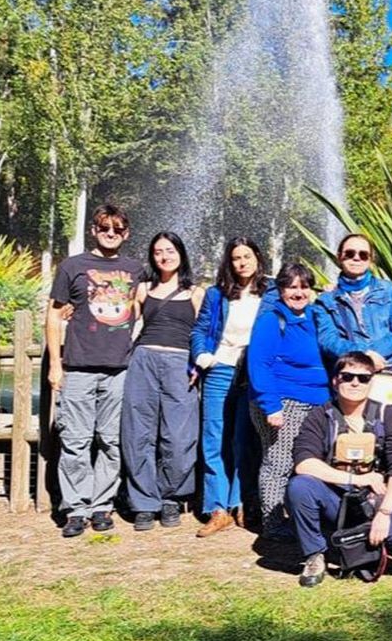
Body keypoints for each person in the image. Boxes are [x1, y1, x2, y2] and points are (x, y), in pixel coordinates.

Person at [285, 352, 392, 587]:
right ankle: (315, 554)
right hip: (334, 497)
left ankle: (357, 543)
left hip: (374, 498)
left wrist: (385, 512)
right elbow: (304, 463)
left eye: (363, 378)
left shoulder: (387, 416)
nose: (355, 383)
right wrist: (356, 478)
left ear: (371, 382)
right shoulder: (320, 416)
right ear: (335, 380)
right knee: (300, 487)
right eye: (347, 376)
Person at [47, 203, 141, 538]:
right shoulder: (73, 267)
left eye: (117, 229)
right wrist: (56, 366)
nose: (111, 234)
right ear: (94, 230)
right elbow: (54, 315)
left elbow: (145, 307)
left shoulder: (134, 269)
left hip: (119, 369)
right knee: (75, 440)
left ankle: (102, 506)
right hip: (79, 367)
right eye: (105, 229)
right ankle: (76, 509)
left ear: (126, 233)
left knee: (111, 442)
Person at [121, 231, 202, 531]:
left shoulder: (195, 292)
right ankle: (144, 502)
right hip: (143, 359)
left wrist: (198, 362)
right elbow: (126, 324)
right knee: (138, 431)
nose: (164, 256)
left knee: (179, 435)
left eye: (169, 250)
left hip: (180, 363)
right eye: (158, 252)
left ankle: (171, 497)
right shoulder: (142, 289)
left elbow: (202, 332)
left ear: (181, 253)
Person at [191, 237, 271, 537]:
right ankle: (217, 508)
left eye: (247, 256)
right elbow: (200, 329)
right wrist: (202, 355)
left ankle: (241, 504)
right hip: (221, 369)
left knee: (243, 440)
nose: (242, 263)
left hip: (252, 371)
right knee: (214, 438)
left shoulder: (271, 292)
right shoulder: (217, 294)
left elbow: (296, 299)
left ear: (257, 258)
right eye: (236, 258)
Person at [247, 262, 332, 541]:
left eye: (304, 286)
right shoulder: (273, 319)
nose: (298, 292)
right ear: (280, 289)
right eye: (292, 286)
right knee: (279, 461)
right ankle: (273, 522)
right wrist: (271, 406)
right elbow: (259, 364)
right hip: (285, 401)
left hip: (318, 400)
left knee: (310, 461)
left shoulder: (315, 317)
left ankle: (306, 515)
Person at [312, 233, 392, 373]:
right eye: (350, 253)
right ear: (339, 257)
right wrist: (365, 355)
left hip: (385, 366)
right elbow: (328, 340)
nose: (356, 258)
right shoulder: (325, 300)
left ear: (371, 260)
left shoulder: (388, 289)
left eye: (363, 254)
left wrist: (376, 355)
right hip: (350, 371)